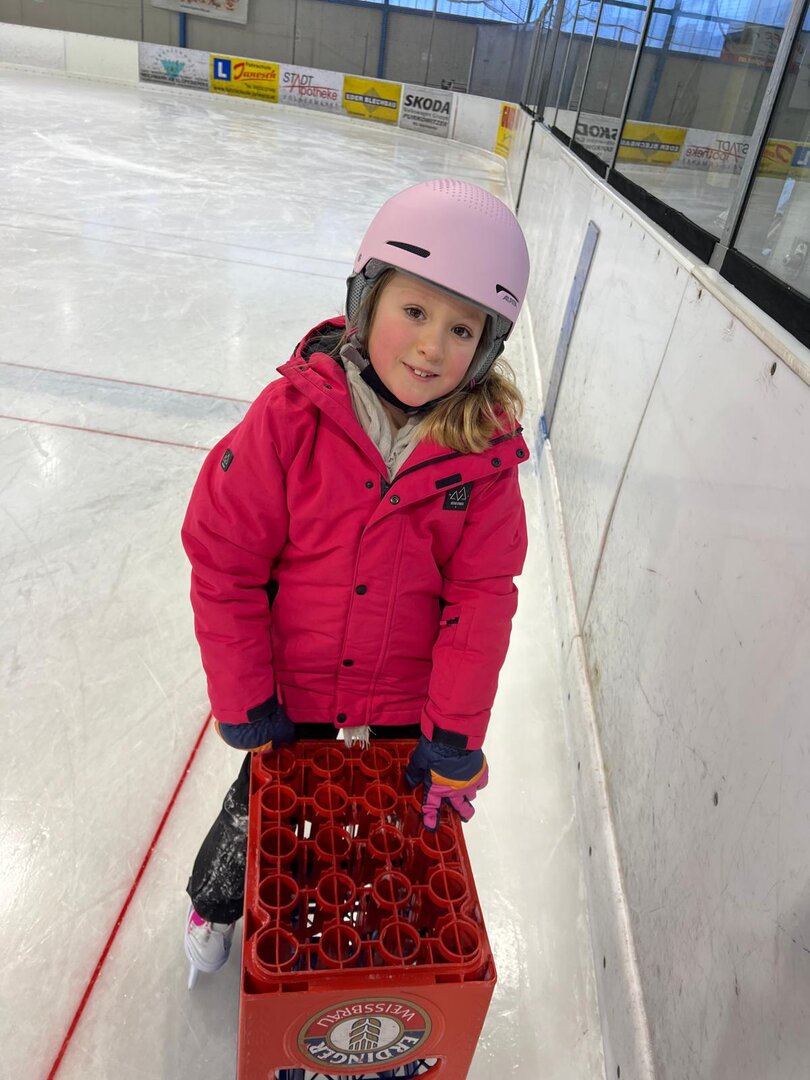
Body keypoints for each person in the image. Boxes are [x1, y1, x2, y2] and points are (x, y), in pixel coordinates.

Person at [180, 178, 532, 986]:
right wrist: (246, 700)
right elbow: (225, 559)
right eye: (414, 310)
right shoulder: (289, 419)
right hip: (295, 691)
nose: (431, 346)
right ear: (366, 299)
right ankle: (216, 901)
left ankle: (367, 931)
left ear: (486, 348)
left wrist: (453, 736)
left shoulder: (483, 457)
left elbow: (482, 600)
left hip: (404, 701)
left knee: (390, 836)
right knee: (258, 811)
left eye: (461, 328)